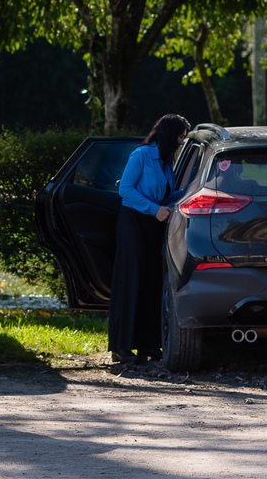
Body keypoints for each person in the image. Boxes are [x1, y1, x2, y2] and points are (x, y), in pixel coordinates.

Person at [109, 113, 190, 364]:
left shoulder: (167, 163)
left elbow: (166, 194)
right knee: (131, 279)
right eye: (179, 136)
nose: (181, 142)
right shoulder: (141, 155)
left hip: (155, 224)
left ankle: (149, 345)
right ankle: (120, 347)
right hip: (134, 221)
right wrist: (155, 210)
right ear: (168, 134)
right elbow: (125, 190)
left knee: (152, 282)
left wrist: (194, 188)